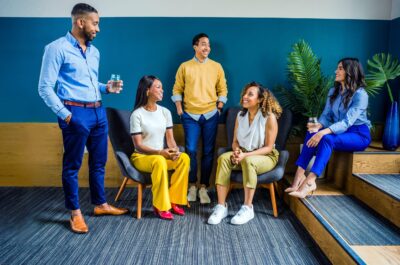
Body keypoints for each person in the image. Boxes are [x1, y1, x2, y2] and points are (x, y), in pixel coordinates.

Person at [38, 3, 128, 234]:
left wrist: (105, 88)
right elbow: (45, 87)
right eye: (95, 23)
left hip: (98, 111)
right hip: (75, 113)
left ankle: (100, 204)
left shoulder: (94, 52)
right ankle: (75, 213)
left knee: (98, 163)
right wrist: (67, 116)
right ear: (80, 22)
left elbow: (89, 84)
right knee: (72, 166)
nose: (98, 28)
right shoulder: (56, 48)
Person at [286, 58, 371, 198]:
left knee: (326, 139)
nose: (335, 71)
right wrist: (318, 126)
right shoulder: (333, 91)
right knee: (312, 131)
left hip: (358, 134)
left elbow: (347, 122)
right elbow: (326, 115)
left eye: (340, 68)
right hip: (339, 131)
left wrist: (323, 132)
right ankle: (298, 178)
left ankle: (310, 182)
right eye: (337, 68)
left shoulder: (361, 95)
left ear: (350, 71)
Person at [208, 82, 281, 225]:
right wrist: (236, 152)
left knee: (249, 161)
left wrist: (245, 156)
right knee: (223, 158)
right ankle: (221, 207)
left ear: (260, 99)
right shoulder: (240, 116)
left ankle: (248, 208)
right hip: (243, 153)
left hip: (265, 156)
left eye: (250, 94)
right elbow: (235, 141)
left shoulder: (269, 117)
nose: (245, 97)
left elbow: (268, 147)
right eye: (245, 93)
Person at [172, 33, 228, 204]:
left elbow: (223, 89)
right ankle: (192, 186)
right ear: (195, 47)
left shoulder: (217, 66)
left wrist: (219, 108)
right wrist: (180, 110)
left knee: (208, 152)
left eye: (208, 45)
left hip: (211, 114)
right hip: (189, 115)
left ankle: (203, 187)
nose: (207, 48)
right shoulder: (185, 67)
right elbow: (177, 89)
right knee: (191, 151)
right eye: (203, 44)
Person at [130, 76, 190, 220]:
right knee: (159, 161)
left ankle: (174, 200)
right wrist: (160, 152)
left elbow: (170, 140)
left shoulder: (165, 112)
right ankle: (160, 205)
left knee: (184, 158)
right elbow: (138, 144)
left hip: (160, 155)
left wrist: (175, 152)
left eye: (161, 87)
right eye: (158, 87)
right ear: (147, 91)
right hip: (141, 157)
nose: (162, 90)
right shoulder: (137, 114)